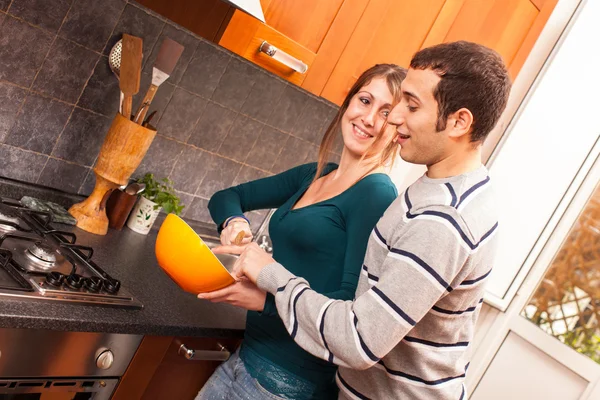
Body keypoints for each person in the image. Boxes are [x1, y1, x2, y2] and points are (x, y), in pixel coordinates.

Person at [214, 41, 512, 400]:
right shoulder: (434, 191)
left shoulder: (443, 219)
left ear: (459, 122)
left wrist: (270, 277)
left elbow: (357, 340)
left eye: (410, 105)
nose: (394, 117)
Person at [196, 64, 407, 400]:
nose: (368, 118)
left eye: (386, 113)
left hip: (289, 383)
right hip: (247, 360)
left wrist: (266, 301)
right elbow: (227, 197)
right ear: (348, 102)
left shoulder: (375, 194)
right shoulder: (317, 174)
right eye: (365, 101)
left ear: (398, 130)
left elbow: (349, 307)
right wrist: (234, 223)